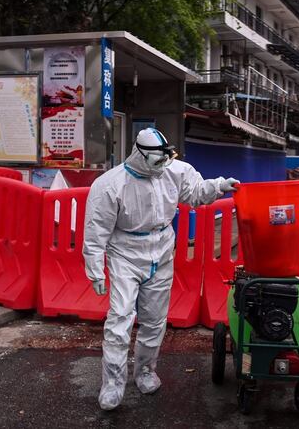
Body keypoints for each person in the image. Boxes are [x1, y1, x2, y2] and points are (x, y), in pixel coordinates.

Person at [83, 128, 239, 411]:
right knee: (120, 319)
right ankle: (113, 383)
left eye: (165, 160)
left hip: (162, 251)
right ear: (140, 155)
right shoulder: (110, 185)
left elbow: (194, 193)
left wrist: (218, 186)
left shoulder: (173, 171)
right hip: (125, 254)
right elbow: (96, 230)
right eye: (156, 162)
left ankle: (144, 371)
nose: (161, 167)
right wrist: (95, 268)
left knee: (155, 319)